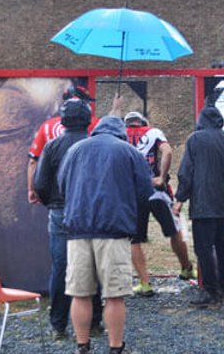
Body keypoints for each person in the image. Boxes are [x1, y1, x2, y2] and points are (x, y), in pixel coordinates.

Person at [58, 116, 153, 354]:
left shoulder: (75, 150)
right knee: (114, 295)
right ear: (120, 132)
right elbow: (145, 191)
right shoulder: (129, 151)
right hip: (113, 230)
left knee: (80, 294)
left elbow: (62, 186)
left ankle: (82, 346)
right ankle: (115, 348)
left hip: (77, 231)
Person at [32, 98, 105, 340]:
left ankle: (58, 325)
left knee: (62, 268)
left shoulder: (52, 146)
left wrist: (52, 203)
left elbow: (40, 183)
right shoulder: (96, 145)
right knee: (93, 268)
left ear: (63, 120)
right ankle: (94, 323)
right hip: (91, 214)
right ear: (87, 120)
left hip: (60, 212)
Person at [173, 106, 224, 308]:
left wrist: (180, 198)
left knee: (204, 249)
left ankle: (210, 292)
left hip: (203, 204)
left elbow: (186, 172)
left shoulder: (195, 140)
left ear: (202, 121)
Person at [123, 111, 196, 297]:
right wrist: (161, 177)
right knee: (174, 230)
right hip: (157, 191)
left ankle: (145, 283)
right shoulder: (153, 132)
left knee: (134, 239)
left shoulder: (120, 135)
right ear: (143, 121)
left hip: (132, 193)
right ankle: (186, 268)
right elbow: (168, 151)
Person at [28, 85, 123, 204]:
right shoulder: (96, 124)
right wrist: (116, 108)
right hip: (86, 199)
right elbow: (112, 131)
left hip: (57, 200)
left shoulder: (47, 126)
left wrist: (32, 190)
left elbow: (33, 162)